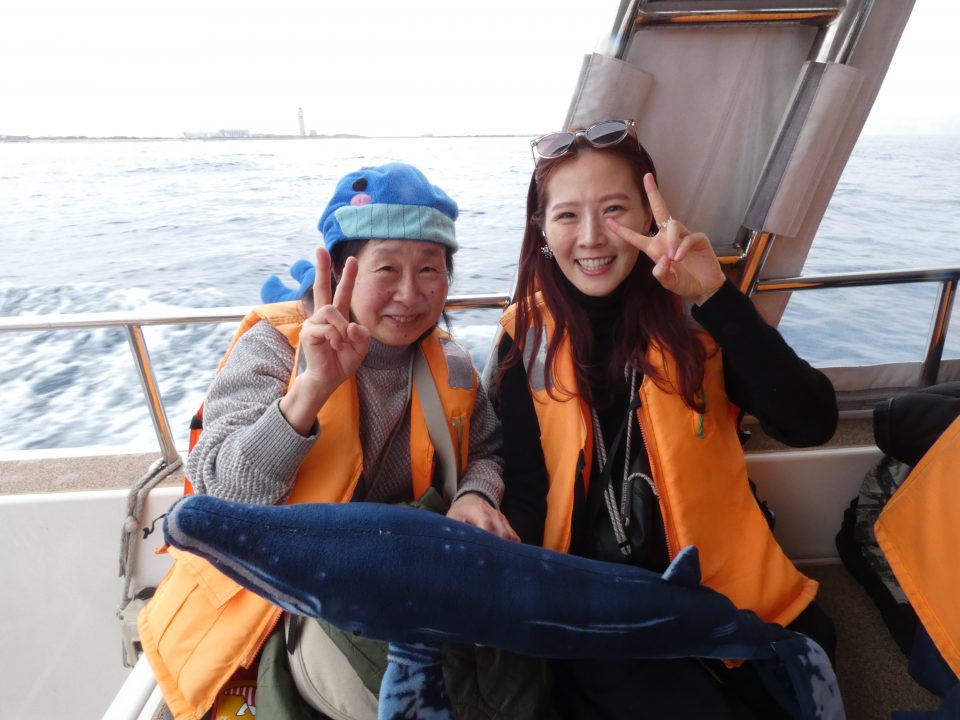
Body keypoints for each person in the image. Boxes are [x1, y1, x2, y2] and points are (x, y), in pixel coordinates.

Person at [138, 162, 520, 720]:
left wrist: (475, 496)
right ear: (341, 272)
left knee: (515, 675)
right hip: (280, 593)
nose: (409, 294)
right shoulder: (275, 347)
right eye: (386, 268)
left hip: (395, 574)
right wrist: (311, 389)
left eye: (429, 270)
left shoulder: (452, 362)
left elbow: (486, 451)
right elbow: (222, 492)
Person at [494, 119, 840, 719]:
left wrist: (718, 296)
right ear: (542, 230)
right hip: (600, 603)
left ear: (648, 219)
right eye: (568, 215)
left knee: (794, 686)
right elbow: (525, 486)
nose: (593, 237)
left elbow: (812, 423)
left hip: (730, 590)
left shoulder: (699, 323)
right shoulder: (523, 338)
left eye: (614, 210)